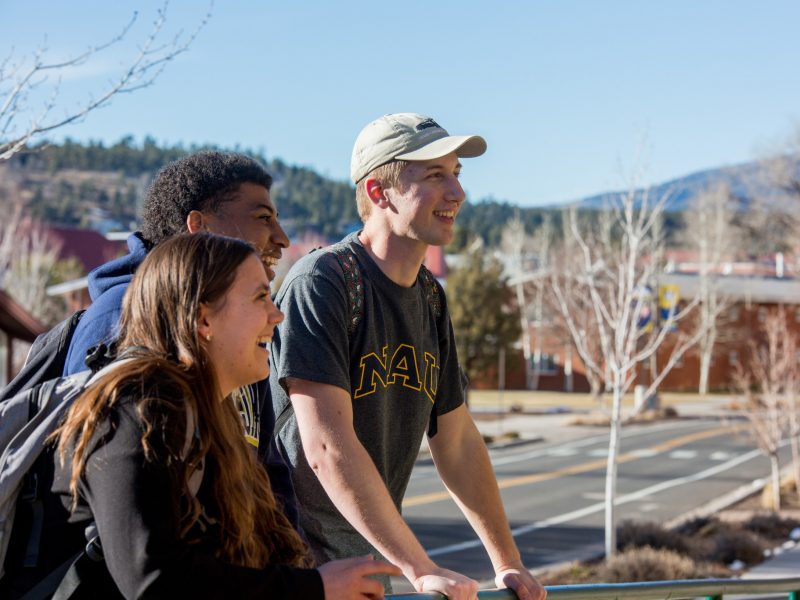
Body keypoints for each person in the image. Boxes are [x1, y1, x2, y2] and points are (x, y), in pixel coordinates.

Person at [270, 113, 546, 600]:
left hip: (370, 571)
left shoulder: (429, 298)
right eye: (435, 175)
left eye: (457, 173)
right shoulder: (323, 284)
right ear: (379, 192)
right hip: (301, 573)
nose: (457, 193)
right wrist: (420, 568)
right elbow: (326, 449)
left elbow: (456, 440)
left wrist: (508, 562)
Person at [48, 233, 400, 598]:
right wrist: (315, 588)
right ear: (203, 319)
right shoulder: (136, 410)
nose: (277, 315)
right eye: (260, 297)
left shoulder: (211, 415)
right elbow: (154, 580)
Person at [61, 151, 300, 527]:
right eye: (262, 218)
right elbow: (101, 502)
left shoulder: (238, 329)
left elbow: (267, 471)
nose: (281, 238)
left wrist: (297, 573)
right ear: (199, 226)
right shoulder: (121, 318)